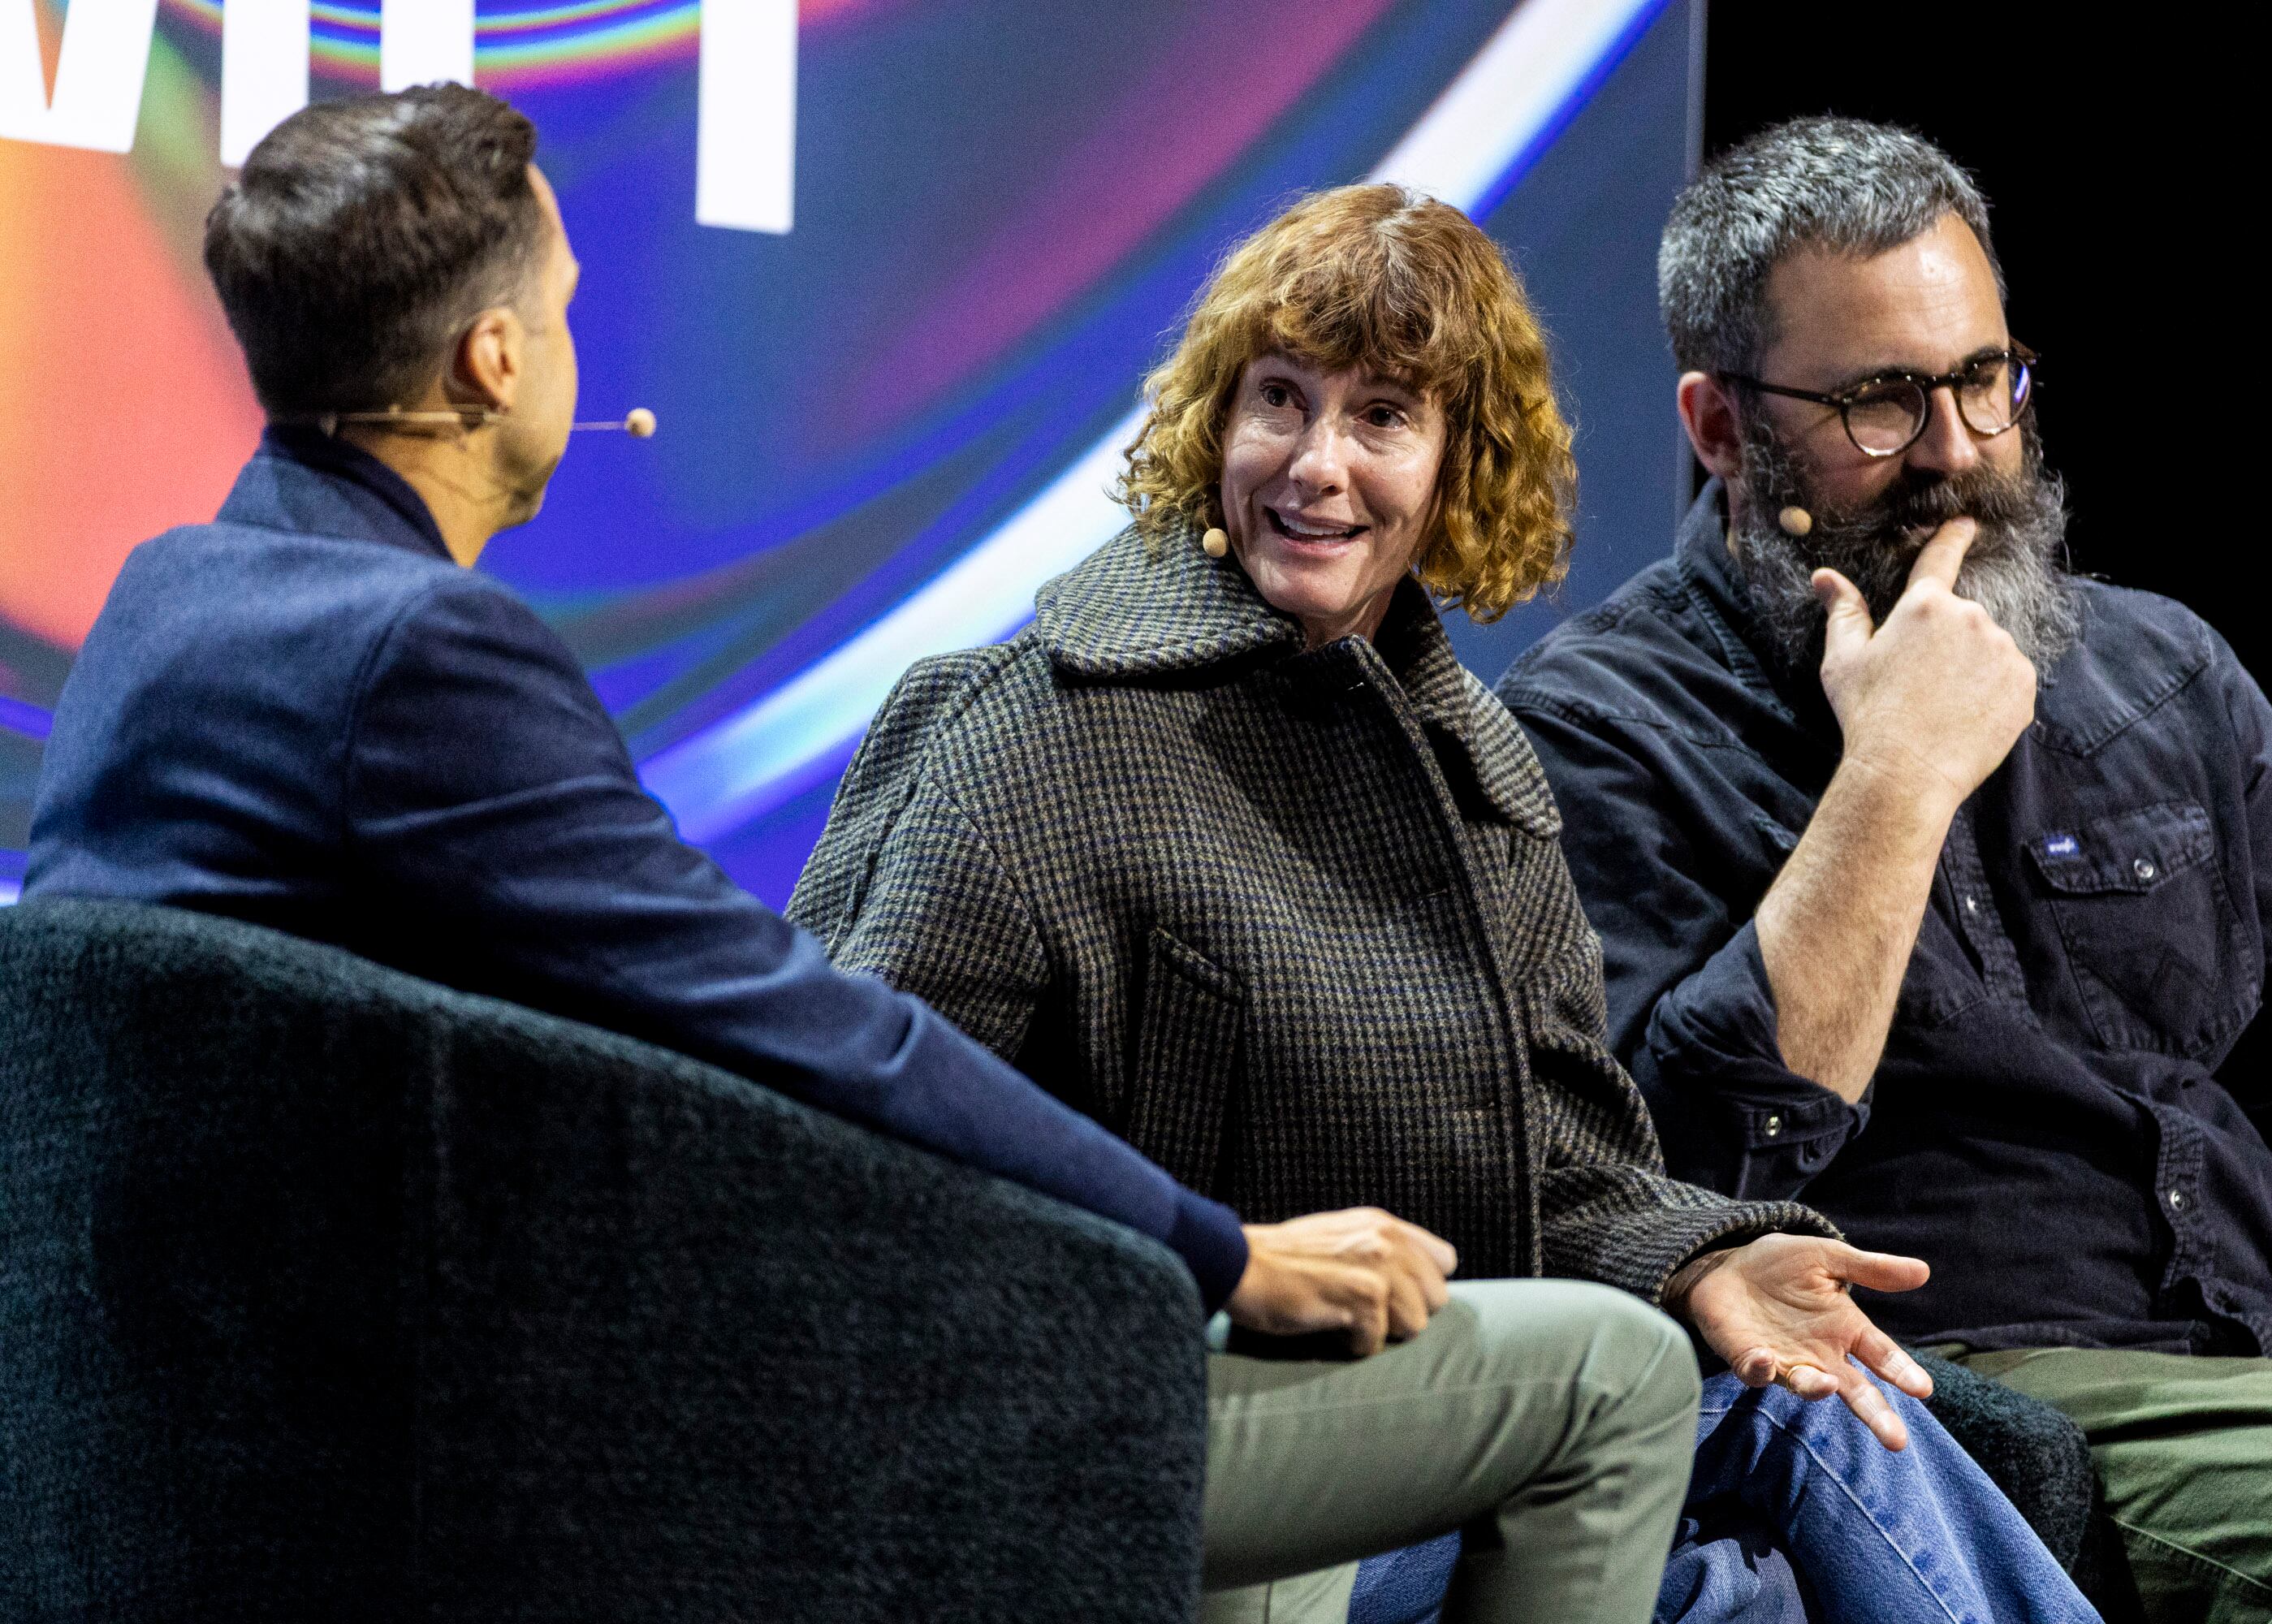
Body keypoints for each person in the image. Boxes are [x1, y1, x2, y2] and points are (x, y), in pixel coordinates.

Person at [27, 87, 1717, 1624]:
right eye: (562, 310)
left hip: (165, 1440)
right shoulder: (430, 661)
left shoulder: (169, 602)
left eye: (1386, 417)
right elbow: (798, 1030)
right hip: (443, 1450)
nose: (1323, 462)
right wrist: (1222, 1252)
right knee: (1607, 1386)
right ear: (489, 364)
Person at [794, 182, 2098, 1624]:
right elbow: (850, 1132)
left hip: (1415, 1428)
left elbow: (1560, 1170)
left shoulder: (1478, 777)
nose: (1317, 467)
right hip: (1112, 1435)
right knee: (1738, 1522)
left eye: (1381, 418)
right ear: (1213, 424)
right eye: (1279, 400)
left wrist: (1711, 1256)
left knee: (1789, 1478)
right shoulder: (1036, 727)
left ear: (1460, 465)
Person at [1498, 115, 2272, 1622]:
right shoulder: (1597, 728)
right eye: (1878, 401)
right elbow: (1673, 1181)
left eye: (1983, 380)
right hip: (1945, 1395)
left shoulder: (2163, 672)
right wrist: (1895, 783)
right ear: (1721, 427)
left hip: (2265, 1367)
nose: (1954, 453)